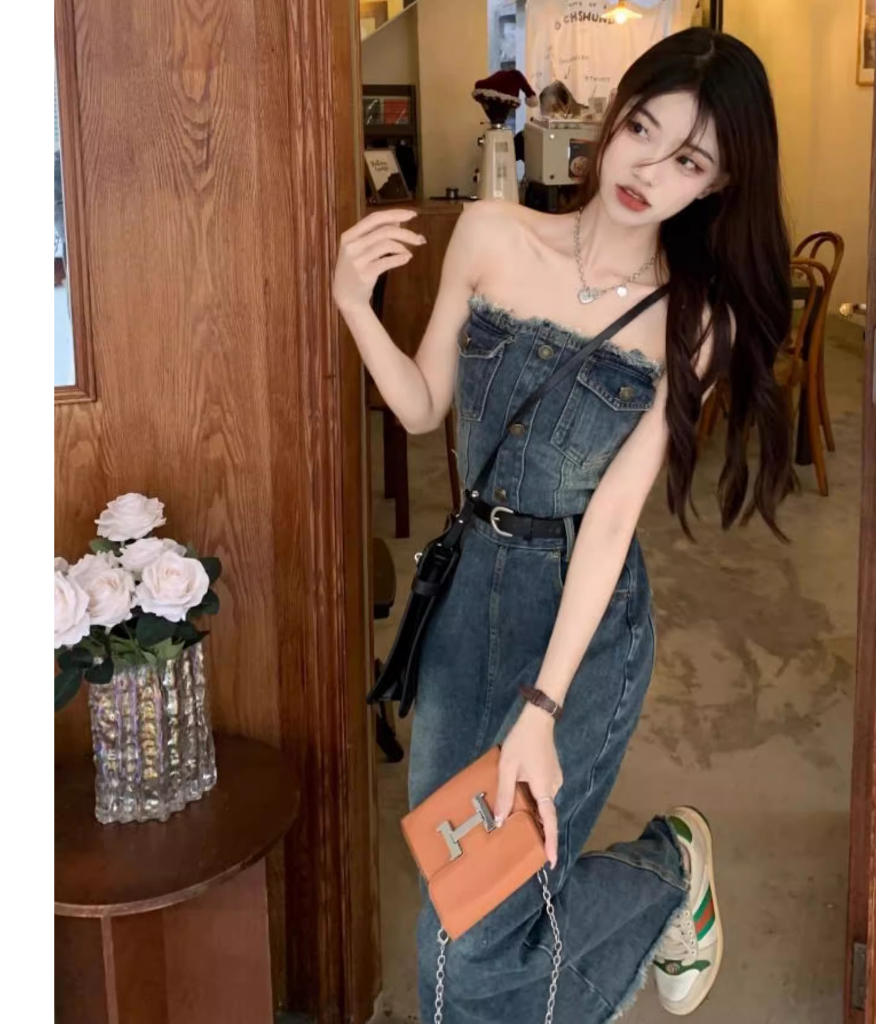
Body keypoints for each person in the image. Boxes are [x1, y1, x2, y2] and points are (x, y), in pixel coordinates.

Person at [332, 27, 792, 1023]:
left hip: (582, 616)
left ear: (717, 185)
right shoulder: (492, 234)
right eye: (644, 128)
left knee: (473, 933)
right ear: (614, 114)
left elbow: (615, 517)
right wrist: (354, 305)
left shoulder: (693, 320)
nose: (647, 170)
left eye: (689, 161)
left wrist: (540, 711)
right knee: (456, 895)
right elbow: (422, 406)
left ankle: (667, 869)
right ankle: (659, 881)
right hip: (464, 600)